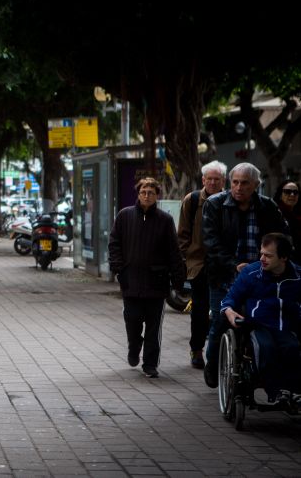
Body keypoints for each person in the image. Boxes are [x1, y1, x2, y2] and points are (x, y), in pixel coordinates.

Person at [202, 162, 288, 388]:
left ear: (256, 186)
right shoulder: (215, 204)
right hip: (224, 275)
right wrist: (234, 265)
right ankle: (212, 367)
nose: (238, 188)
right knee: (220, 322)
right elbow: (211, 243)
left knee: (264, 321)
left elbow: (283, 237)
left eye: (245, 183)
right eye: (235, 182)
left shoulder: (267, 207)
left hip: (261, 275)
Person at [108, 177, 185, 378]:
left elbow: (173, 251)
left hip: (157, 283)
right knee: (132, 321)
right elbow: (114, 243)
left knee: (153, 327)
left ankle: (150, 363)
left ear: (157, 195)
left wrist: (178, 279)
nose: (147, 195)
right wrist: (118, 269)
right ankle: (134, 346)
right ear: (138, 193)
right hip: (130, 281)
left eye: (151, 192)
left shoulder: (165, 220)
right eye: (143, 191)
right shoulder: (125, 216)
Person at [221, 233, 301, 406]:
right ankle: (276, 392)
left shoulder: (297, 276)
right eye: (261, 254)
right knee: (266, 348)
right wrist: (228, 311)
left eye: (268, 255)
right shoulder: (251, 273)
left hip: (286, 326)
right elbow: (230, 298)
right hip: (258, 326)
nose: (262, 258)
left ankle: (291, 391)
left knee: (293, 348)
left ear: (284, 257)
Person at [177, 160, 227, 369]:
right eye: (210, 179)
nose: (213, 182)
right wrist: (187, 257)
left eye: (217, 179)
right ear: (203, 179)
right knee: (199, 309)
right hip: (198, 264)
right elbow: (182, 233)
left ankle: (219, 351)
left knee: (221, 310)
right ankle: (197, 350)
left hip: (223, 265)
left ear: (223, 181)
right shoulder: (193, 199)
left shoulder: (230, 200)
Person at [272, 179, 301, 263]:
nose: (292, 195)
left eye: (295, 192)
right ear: (280, 195)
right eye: (287, 191)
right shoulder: (275, 213)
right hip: (281, 261)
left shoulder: (298, 215)